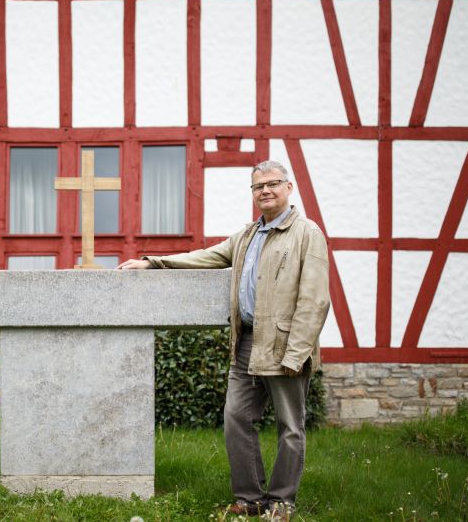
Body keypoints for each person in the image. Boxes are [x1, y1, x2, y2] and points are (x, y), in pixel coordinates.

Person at [117, 160, 330, 518]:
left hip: (284, 345)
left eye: (273, 184)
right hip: (247, 342)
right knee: (235, 418)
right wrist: (153, 263)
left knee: (290, 426)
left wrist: (296, 354)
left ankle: (281, 501)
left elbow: (314, 300)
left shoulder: (307, 234)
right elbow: (206, 256)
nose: (265, 190)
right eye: (258, 186)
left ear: (289, 188)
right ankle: (249, 499)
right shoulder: (247, 236)